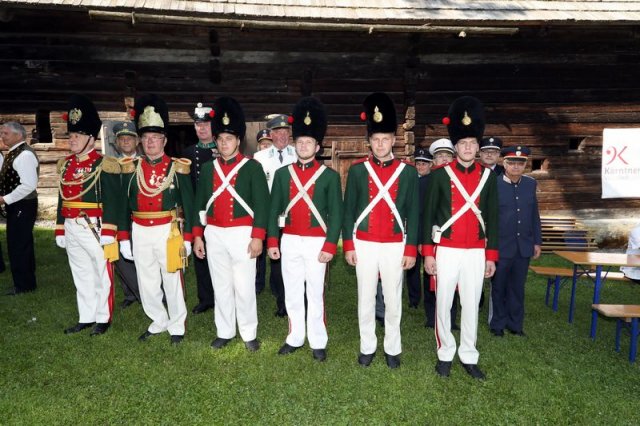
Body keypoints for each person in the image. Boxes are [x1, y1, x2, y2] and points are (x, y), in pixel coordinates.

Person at [423, 96, 498, 380]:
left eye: (472, 144)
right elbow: (429, 214)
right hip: (447, 249)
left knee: (471, 302)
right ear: (455, 147)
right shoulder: (440, 176)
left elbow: (492, 218)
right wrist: (428, 253)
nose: (468, 148)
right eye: (463, 144)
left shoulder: (487, 178)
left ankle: (468, 353)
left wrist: (491, 256)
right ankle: (444, 353)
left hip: (475, 251)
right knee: (444, 302)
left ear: (478, 147)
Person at [343, 92, 419, 369]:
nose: (380, 144)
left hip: (395, 243)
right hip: (363, 242)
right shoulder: (357, 170)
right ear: (369, 142)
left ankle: (392, 347)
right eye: (375, 139)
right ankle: (367, 346)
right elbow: (349, 210)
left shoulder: (407, 172)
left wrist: (411, 249)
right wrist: (349, 246)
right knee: (364, 297)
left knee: (392, 298)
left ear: (394, 141)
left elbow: (414, 213)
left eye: (385, 138)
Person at [267, 97, 343, 362]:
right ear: (294, 144)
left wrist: (330, 245)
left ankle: (318, 339)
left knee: (315, 291)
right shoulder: (282, 174)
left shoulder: (329, 177)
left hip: (316, 242)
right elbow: (273, 210)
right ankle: (295, 336)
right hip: (289, 240)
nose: (303, 146)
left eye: (308, 142)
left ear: (317, 146)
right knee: (292, 289)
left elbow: (337, 214)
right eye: (299, 142)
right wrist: (273, 242)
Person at [193, 96, 270, 352]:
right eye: (220, 139)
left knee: (245, 286)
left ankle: (248, 332)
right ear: (216, 141)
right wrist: (197, 236)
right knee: (221, 284)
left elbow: (262, 205)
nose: (224, 143)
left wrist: (258, 236)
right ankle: (224, 331)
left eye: (229, 138)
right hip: (214, 232)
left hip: (242, 233)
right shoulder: (207, 169)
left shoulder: (252, 168)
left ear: (239, 140)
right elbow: (199, 205)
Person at [118, 94, 194, 345]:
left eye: (155, 138)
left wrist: (190, 236)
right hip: (140, 228)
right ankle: (158, 319)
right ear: (140, 140)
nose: (150, 143)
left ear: (164, 140)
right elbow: (122, 206)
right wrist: (124, 237)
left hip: (168, 230)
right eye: (146, 138)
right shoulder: (131, 167)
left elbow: (189, 204)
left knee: (171, 277)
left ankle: (177, 324)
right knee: (146, 279)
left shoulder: (178, 167)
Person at [55, 94, 121, 336]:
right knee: (80, 271)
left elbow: (113, 201)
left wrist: (110, 230)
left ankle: (103, 318)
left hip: (94, 225)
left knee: (102, 273)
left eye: (78, 136)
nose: (72, 140)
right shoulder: (66, 164)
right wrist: (60, 227)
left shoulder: (104, 164)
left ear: (91, 138)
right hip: (72, 225)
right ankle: (86, 315)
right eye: (71, 135)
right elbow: (64, 196)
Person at [489, 145, 541, 337]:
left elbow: (534, 214)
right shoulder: (494, 184)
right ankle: (497, 324)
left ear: (525, 165)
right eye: (512, 163)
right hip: (502, 246)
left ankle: (515, 324)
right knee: (499, 286)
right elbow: (490, 217)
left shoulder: (530, 184)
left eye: (520, 163)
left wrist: (537, 242)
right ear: (504, 163)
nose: (516, 167)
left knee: (517, 287)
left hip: (524, 246)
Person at [254, 114, 296, 317]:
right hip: (271, 215)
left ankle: (288, 298)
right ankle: (280, 297)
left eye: (285, 132)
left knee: (290, 258)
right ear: (271, 135)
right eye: (277, 132)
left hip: (292, 215)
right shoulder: (260, 158)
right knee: (276, 256)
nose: (281, 135)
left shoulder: (297, 155)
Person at [181, 102, 218, 315]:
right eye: (198, 125)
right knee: (200, 256)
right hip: (197, 210)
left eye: (205, 124)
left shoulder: (222, 149)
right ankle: (205, 298)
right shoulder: (188, 153)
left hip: (218, 210)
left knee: (219, 255)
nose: (202, 129)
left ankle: (223, 294)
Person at [422, 138, 458, 330]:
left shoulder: (457, 178)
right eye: (439, 156)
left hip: (453, 237)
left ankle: (451, 318)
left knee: (454, 280)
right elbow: (422, 212)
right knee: (431, 278)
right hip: (431, 236)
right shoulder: (428, 180)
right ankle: (431, 316)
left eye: (447, 155)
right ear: (433, 160)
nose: (443, 159)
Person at [0, 122, 39, 295]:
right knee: (21, 242)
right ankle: (26, 280)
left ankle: (23, 285)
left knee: (18, 244)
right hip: (18, 204)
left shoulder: (24, 155)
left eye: (5, 133)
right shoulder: (14, 152)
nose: (2, 136)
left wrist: (4, 199)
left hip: (23, 204)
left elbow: (29, 185)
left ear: (18, 135)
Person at [111, 121, 141, 308]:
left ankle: (150, 291)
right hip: (117, 217)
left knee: (145, 255)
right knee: (121, 258)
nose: (126, 142)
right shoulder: (110, 165)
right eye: (122, 139)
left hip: (141, 215)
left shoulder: (145, 161)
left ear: (137, 141)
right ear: (116, 143)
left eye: (129, 138)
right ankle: (130, 293)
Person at [405, 147, 432, 309]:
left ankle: (430, 296)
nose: (421, 166)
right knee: (412, 267)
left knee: (429, 268)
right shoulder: (410, 181)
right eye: (418, 163)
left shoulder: (434, 181)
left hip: (428, 229)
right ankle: (414, 299)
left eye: (424, 163)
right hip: (413, 229)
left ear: (431, 164)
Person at [254, 128, 273, 294]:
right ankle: (258, 281)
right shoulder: (254, 163)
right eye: (263, 145)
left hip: (273, 208)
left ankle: (275, 283)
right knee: (258, 246)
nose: (265, 147)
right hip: (258, 209)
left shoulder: (276, 160)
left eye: (269, 144)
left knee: (274, 245)